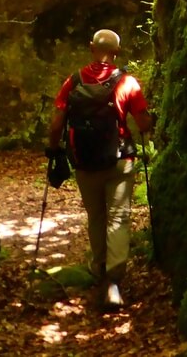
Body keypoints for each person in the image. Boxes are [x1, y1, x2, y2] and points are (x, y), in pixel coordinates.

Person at [46, 29, 153, 311]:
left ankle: (98, 268)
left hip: (85, 162)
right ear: (116, 52)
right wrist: (147, 120)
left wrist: (53, 149)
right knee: (118, 217)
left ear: (91, 47)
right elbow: (142, 124)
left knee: (96, 216)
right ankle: (114, 281)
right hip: (120, 161)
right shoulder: (128, 82)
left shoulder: (74, 81)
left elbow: (57, 123)